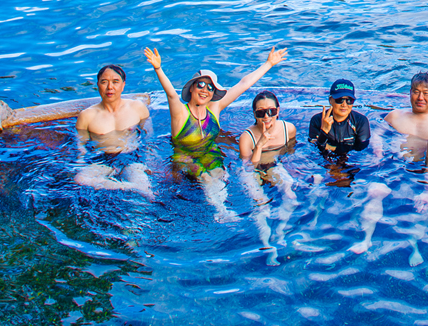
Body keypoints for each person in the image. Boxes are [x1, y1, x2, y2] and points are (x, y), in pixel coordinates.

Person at [144, 44, 286, 221]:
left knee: (220, 174)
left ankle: (225, 204)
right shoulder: (180, 113)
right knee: (205, 177)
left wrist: (268, 64)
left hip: (210, 154)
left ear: (213, 93)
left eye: (210, 88)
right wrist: (158, 68)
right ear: (191, 88)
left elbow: (243, 84)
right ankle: (221, 211)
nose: (205, 90)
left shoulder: (214, 109)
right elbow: (171, 94)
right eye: (201, 85)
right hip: (184, 157)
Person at [73, 63, 155, 196]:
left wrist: (151, 159)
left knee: (147, 192)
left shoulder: (137, 107)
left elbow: (149, 137)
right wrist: (80, 162)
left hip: (131, 157)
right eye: (104, 82)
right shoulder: (87, 115)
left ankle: (121, 186)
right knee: (80, 179)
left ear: (123, 85)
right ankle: (125, 187)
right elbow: (80, 145)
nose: (110, 87)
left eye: (115, 82)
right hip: (103, 160)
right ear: (98, 85)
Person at [237, 89, 299, 260]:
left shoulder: (288, 129)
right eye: (261, 112)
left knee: (291, 195)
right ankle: (266, 244)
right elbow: (249, 166)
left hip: (273, 165)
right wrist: (260, 145)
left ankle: (280, 232)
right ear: (254, 114)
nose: (266, 116)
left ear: (278, 111)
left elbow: (289, 153)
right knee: (261, 205)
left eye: (271, 111)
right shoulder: (247, 137)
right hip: (252, 168)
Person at [385, 71, 428, 159]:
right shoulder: (394, 116)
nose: (420, 98)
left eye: (425, 93)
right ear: (410, 93)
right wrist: (378, 151)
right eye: (416, 92)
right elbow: (377, 135)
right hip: (396, 161)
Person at [309, 78, 373, 153]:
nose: (344, 105)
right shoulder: (317, 120)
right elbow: (315, 149)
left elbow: (361, 149)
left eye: (349, 100)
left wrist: (331, 148)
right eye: (340, 100)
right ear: (330, 100)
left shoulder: (361, 121)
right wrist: (324, 132)